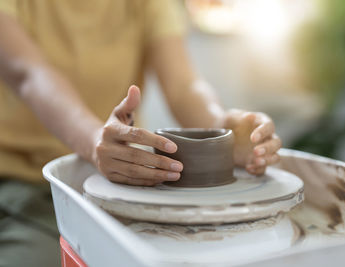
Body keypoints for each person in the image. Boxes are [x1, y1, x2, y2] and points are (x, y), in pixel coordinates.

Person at [0, 1, 281, 266]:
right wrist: (94, 139)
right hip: (20, 181)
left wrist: (222, 128)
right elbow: (30, 75)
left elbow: (183, 86)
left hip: (116, 182)